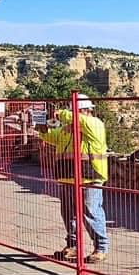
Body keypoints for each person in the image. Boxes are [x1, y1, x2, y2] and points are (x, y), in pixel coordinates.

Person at [37, 93, 110, 263]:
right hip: (68, 177)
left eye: (74, 111)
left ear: (85, 110)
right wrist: (42, 125)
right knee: (69, 214)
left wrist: (59, 113)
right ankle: (73, 246)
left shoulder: (94, 124)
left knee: (91, 213)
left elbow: (81, 121)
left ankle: (100, 248)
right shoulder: (67, 129)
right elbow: (51, 137)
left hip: (90, 177)